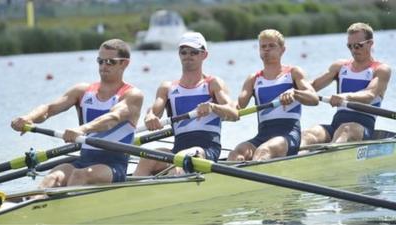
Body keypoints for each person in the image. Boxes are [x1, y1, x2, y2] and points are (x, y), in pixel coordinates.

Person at [11, 39, 143, 188]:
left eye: (110, 62)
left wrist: (81, 129)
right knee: (54, 176)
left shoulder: (132, 95)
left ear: (124, 63)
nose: (103, 66)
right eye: (100, 61)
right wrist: (28, 118)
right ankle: (33, 205)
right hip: (83, 161)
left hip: (113, 166)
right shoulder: (82, 91)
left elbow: (112, 118)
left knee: (79, 175)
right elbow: (49, 109)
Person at [133, 32, 238, 176]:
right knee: (148, 157)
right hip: (178, 151)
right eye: (184, 52)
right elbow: (153, 112)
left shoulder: (213, 84)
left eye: (194, 52)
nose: (188, 56)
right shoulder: (167, 88)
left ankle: (170, 183)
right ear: (179, 54)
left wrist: (213, 107)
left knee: (181, 159)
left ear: (204, 55)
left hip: (205, 152)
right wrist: (150, 117)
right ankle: (134, 192)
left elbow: (234, 113)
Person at [227, 29, 318, 161]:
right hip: (263, 135)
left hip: (288, 135)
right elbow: (239, 105)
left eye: (271, 46)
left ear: (282, 49)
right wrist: (221, 109)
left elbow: (314, 99)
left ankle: (255, 176)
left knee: (263, 151)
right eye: (263, 47)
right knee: (237, 153)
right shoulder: (253, 79)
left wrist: (294, 92)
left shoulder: (293, 73)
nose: (266, 50)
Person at [300, 22, 391, 150]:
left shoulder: (381, 69)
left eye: (358, 46)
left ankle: (329, 156)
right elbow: (312, 86)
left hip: (361, 129)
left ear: (370, 43)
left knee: (346, 129)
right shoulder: (340, 67)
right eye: (350, 46)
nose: (353, 50)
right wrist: (292, 91)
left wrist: (344, 96)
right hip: (335, 126)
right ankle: (292, 162)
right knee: (309, 134)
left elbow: (369, 95)